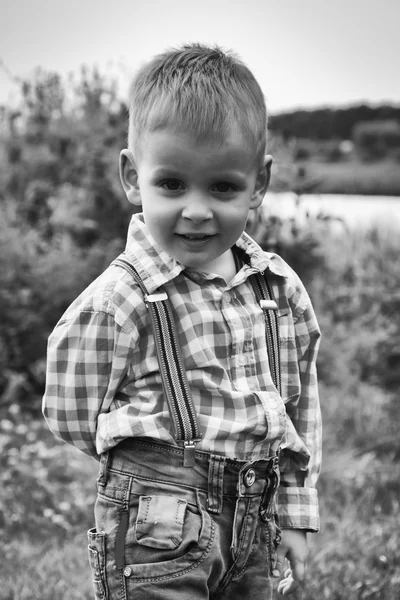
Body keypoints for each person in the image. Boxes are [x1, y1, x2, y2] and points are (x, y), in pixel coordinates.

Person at [43, 43, 321, 600]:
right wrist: (141, 459)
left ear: (258, 185)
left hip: (256, 514)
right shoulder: (123, 297)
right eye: (172, 185)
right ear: (132, 176)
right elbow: (68, 408)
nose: (196, 209)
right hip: (158, 520)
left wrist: (294, 509)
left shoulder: (278, 289)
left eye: (222, 187)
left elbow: (297, 405)